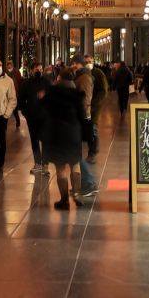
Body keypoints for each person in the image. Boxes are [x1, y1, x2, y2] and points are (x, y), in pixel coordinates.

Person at [42, 69, 86, 209]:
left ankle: (64, 201)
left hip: (56, 133)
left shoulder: (51, 94)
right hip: (73, 133)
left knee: (60, 167)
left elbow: (43, 110)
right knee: (75, 163)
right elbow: (83, 116)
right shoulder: (77, 95)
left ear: (59, 78)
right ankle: (77, 194)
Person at [70, 55, 97, 198]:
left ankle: (88, 182)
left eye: (75, 63)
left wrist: (80, 112)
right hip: (78, 116)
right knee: (75, 152)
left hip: (80, 117)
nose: (73, 66)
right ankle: (80, 184)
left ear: (79, 64)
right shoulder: (79, 76)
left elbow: (86, 98)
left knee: (75, 153)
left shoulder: (84, 77)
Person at [18, 62, 49, 175]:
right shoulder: (26, 83)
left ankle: (45, 164)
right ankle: (38, 163)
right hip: (32, 117)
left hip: (45, 116)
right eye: (36, 69)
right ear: (32, 70)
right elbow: (20, 99)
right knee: (34, 140)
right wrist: (26, 113)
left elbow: (52, 96)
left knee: (45, 140)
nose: (39, 71)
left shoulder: (46, 82)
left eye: (40, 69)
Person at [83, 53, 108, 161]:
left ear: (93, 62)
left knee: (93, 128)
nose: (88, 64)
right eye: (86, 62)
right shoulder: (82, 74)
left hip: (94, 107)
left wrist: (95, 102)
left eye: (90, 62)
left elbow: (103, 90)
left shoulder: (98, 73)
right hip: (84, 106)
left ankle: (93, 152)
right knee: (87, 129)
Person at [6, 59, 23, 128]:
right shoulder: (5, 72)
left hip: (14, 92)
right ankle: (5, 124)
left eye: (10, 66)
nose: (9, 67)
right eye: (8, 66)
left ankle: (18, 121)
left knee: (14, 109)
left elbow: (19, 82)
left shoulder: (16, 71)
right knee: (6, 109)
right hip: (7, 92)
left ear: (12, 65)